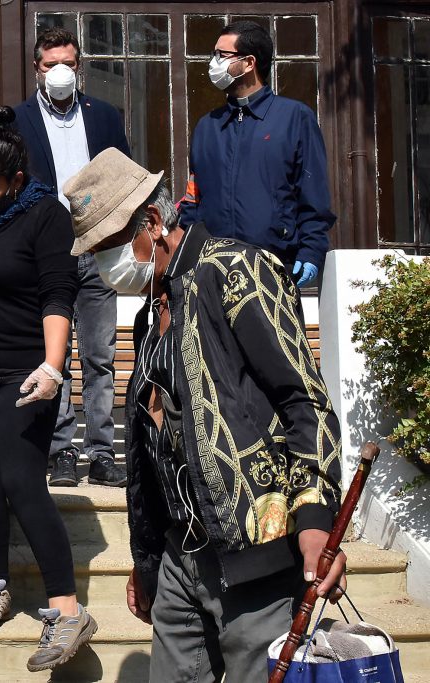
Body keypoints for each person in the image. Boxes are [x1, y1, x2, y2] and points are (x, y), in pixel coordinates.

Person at [65, 148, 345, 681]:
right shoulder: (151, 313)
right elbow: (155, 444)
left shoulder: (237, 270)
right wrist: (148, 560)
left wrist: (314, 520)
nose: (103, 264)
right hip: (182, 555)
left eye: (107, 247)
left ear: (152, 221)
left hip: (257, 552)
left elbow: (303, 399)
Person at [0, 107, 96, 672]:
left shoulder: (46, 216)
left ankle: (67, 610)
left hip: (27, 370)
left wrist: (54, 367)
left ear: (15, 179)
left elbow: (58, 295)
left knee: (20, 480)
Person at [12, 27, 130, 488]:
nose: (59, 72)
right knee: (54, 356)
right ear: (36, 68)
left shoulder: (104, 115)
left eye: (68, 63)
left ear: (79, 66)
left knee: (100, 358)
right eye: (50, 64)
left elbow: (123, 175)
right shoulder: (17, 119)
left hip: (97, 249)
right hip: (48, 253)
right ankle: (61, 450)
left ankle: (101, 452)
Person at [180, 20, 335, 289]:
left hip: (274, 266)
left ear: (249, 62)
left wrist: (311, 250)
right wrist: (189, 251)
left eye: (222, 55)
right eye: (214, 54)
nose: (214, 62)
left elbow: (313, 196)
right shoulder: (207, 126)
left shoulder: (294, 118)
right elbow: (193, 199)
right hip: (213, 270)